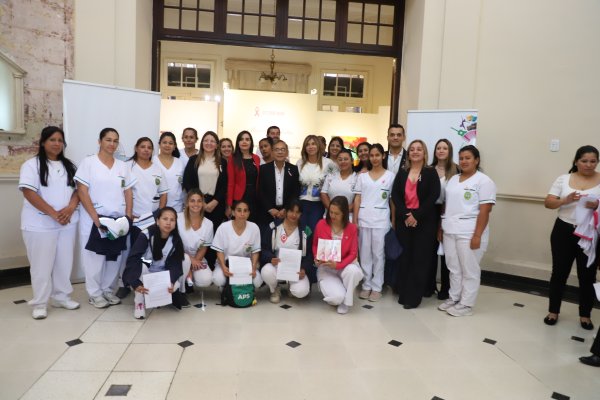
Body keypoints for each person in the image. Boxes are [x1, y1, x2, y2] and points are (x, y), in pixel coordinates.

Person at [19, 126, 80, 319]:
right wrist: (53, 213)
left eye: (60, 140)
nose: (57, 144)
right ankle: (40, 302)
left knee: (64, 262)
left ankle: (61, 296)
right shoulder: (31, 165)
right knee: (41, 265)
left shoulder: (70, 166)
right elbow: (29, 192)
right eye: (52, 140)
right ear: (43, 142)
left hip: (67, 222)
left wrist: (70, 208)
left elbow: (79, 191)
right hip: (39, 224)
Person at [75, 127, 136, 308]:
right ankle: (95, 294)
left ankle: (108, 290)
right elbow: (82, 191)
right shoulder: (89, 163)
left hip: (117, 221)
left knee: (113, 258)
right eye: (108, 140)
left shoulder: (122, 166)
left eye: (115, 141)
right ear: (100, 141)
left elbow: (128, 192)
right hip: (95, 219)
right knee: (94, 259)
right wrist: (95, 217)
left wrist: (128, 216)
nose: (112, 144)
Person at [543, 145, 600, 329]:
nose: (588, 165)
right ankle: (553, 311)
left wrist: (597, 206)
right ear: (576, 161)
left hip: (590, 233)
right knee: (559, 273)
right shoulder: (564, 179)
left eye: (593, 161)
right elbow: (548, 203)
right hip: (563, 230)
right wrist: (565, 200)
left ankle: (585, 314)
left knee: (587, 275)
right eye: (584, 161)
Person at [438, 145, 496, 317]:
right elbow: (446, 205)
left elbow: (485, 210)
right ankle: (454, 297)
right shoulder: (453, 179)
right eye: (461, 158)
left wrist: (477, 235)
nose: (464, 161)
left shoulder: (484, 181)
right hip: (450, 229)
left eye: (468, 158)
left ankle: (466, 304)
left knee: (469, 269)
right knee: (453, 267)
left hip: (470, 232)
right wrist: (441, 227)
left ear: (476, 160)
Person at [116, 137, 168, 299]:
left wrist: (160, 214)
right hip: (134, 218)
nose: (146, 150)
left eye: (149, 147)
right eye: (142, 147)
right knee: (130, 252)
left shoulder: (157, 169)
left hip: (152, 219)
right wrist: (128, 212)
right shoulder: (127, 167)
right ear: (136, 148)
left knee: (148, 253)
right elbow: (123, 191)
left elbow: (164, 193)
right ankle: (124, 283)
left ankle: (144, 282)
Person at [391, 140, 440, 308]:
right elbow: (395, 195)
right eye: (412, 149)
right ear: (408, 154)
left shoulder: (430, 172)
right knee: (405, 257)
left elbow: (433, 196)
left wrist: (416, 215)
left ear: (424, 153)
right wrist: (406, 214)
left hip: (424, 222)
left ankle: (414, 296)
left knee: (419, 259)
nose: (415, 152)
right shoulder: (403, 172)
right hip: (404, 221)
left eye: (419, 149)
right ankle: (404, 292)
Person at [124, 207, 185, 319]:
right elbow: (133, 259)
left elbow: (175, 264)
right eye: (165, 219)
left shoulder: (175, 239)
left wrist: (171, 281)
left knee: (176, 284)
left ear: (175, 223)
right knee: (140, 267)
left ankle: (157, 297)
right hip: (144, 273)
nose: (168, 222)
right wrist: (135, 283)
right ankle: (139, 303)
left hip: (161, 275)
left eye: (172, 220)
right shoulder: (146, 235)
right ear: (157, 221)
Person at [353, 143, 395, 302]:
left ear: (383, 156)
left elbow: (392, 201)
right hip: (364, 219)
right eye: (372, 155)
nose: (374, 158)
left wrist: (393, 220)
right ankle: (366, 285)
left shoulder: (390, 176)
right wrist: (355, 220)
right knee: (364, 254)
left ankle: (377, 287)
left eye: (377, 155)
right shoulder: (362, 176)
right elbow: (357, 199)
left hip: (381, 220)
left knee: (378, 254)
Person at [313, 196, 363, 314]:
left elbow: (353, 253)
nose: (332, 216)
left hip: (344, 265)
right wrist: (317, 257)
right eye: (331, 212)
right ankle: (335, 290)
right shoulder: (321, 224)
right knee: (336, 299)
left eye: (337, 213)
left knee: (354, 271)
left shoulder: (351, 228)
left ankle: (347, 302)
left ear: (344, 214)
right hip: (326, 268)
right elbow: (315, 244)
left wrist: (339, 265)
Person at [260, 200, 311, 303]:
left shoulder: (306, 230)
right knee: (266, 271)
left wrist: (304, 269)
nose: (294, 215)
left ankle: (291, 287)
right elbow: (264, 248)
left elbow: (310, 254)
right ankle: (274, 289)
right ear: (286, 211)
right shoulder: (273, 227)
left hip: (296, 269)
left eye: (297, 212)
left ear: (301, 214)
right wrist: (271, 258)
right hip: (277, 266)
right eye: (291, 211)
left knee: (302, 291)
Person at [429, 138, 459, 300]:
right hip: (430, 213)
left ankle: (446, 288)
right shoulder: (428, 170)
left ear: (449, 151)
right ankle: (430, 285)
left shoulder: (456, 170)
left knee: (448, 253)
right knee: (431, 252)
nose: (441, 151)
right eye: (438, 148)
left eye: (444, 148)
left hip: (449, 213)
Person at [211, 200, 263, 289]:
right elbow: (219, 250)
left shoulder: (254, 228)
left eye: (245, 211)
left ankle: (241, 288)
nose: (242, 214)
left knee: (258, 281)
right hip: (226, 263)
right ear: (233, 212)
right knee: (218, 279)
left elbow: (255, 251)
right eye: (239, 210)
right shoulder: (223, 227)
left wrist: (253, 268)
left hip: (245, 265)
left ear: (249, 213)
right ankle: (225, 288)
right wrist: (223, 267)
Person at [297, 134, 338, 239]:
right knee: (302, 231)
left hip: (318, 204)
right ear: (304, 148)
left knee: (314, 231)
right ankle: (303, 254)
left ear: (319, 146)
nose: (311, 147)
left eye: (313, 144)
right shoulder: (300, 163)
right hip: (301, 204)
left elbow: (335, 182)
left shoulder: (328, 163)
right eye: (308, 144)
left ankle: (312, 254)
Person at [257, 140, 300, 227]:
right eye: (277, 149)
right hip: (267, 213)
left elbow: (295, 192)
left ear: (287, 152)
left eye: (283, 149)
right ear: (272, 152)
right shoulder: (263, 169)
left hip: (286, 213)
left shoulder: (293, 169)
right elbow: (260, 191)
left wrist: (286, 209)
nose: (280, 152)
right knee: (267, 238)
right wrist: (270, 209)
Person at [178, 189, 215, 290]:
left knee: (206, 280)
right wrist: (189, 261)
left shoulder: (208, 224)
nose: (196, 204)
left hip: (197, 259)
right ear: (187, 203)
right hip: (179, 257)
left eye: (199, 201)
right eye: (192, 201)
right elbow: (174, 245)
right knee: (184, 262)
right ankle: (181, 289)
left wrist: (192, 263)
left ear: (203, 203)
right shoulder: (177, 219)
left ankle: (189, 277)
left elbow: (203, 248)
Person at [226, 130, 261, 220]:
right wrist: (229, 205)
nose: (244, 141)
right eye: (241, 139)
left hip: (254, 197)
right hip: (239, 197)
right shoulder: (232, 158)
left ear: (251, 142)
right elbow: (230, 183)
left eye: (247, 139)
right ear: (238, 142)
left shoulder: (256, 158)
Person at [322, 148, 357, 220]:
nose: (343, 161)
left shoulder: (357, 178)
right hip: (330, 216)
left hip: (348, 218)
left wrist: (342, 212)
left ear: (352, 161)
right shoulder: (331, 176)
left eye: (346, 159)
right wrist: (333, 211)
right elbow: (323, 194)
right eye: (340, 159)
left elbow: (358, 199)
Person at [155, 131, 185, 212]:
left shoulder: (180, 163)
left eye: (170, 143)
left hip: (177, 207)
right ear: (159, 144)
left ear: (174, 146)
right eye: (164, 142)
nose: (167, 145)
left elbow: (183, 185)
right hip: (156, 206)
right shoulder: (152, 161)